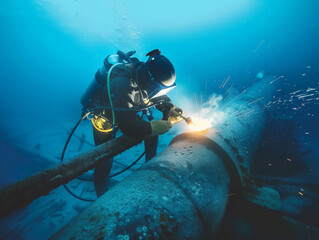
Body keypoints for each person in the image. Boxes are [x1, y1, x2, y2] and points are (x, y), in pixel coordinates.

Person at [81, 49, 184, 197]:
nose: (161, 92)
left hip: (126, 109)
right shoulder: (123, 83)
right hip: (106, 118)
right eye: (160, 89)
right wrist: (151, 127)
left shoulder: (144, 75)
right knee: (104, 160)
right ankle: (101, 198)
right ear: (152, 81)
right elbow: (126, 123)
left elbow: (156, 96)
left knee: (151, 134)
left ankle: (150, 172)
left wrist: (169, 106)